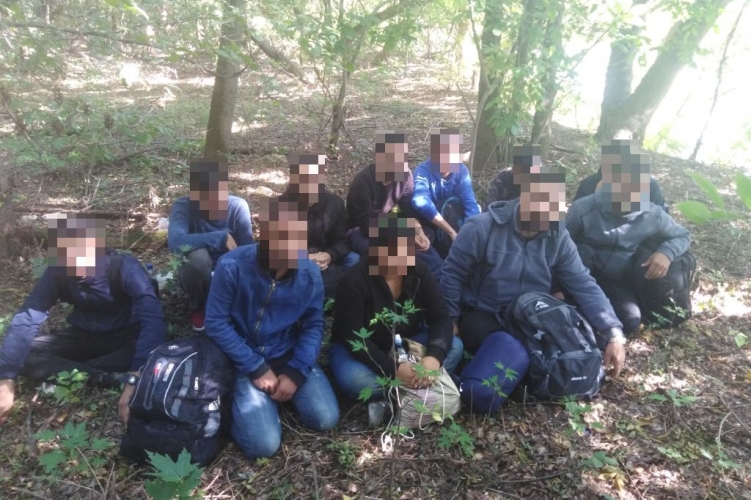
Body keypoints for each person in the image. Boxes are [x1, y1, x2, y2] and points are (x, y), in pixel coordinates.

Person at [442, 158, 627, 414]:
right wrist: (450, 318)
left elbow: (583, 283)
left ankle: (532, 373)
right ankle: (537, 372)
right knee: (485, 334)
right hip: (487, 312)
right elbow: (452, 274)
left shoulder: (557, 236)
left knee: (577, 337)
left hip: (533, 315)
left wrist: (613, 333)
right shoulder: (482, 228)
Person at [204, 196, 339, 459]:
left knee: (326, 418)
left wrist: (296, 371)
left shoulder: (309, 274)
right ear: (263, 234)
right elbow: (216, 323)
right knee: (263, 446)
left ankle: (274, 397)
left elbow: (313, 325)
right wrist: (255, 367)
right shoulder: (232, 266)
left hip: (286, 351)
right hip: (244, 356)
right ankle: (242, 406)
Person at [0, 214, 167, 426]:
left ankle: (86, 371)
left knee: (153, 352)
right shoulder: (57, 272)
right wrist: (6, 378)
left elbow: (153, 320)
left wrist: (136, 376)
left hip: (126, 336)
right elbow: (28, 317)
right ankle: (104, 377)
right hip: (84, 335)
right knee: (21, 354)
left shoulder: (123, 267)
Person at [329, 213, 463, 407]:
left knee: (455, 346)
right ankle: (420, 389)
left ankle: (396, 398)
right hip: (363, 347)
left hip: (405, 340)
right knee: (356, 381)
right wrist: (393, 369)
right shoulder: (354, 281)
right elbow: (353, 337)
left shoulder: (419, 271)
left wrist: (433, 357)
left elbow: (440, 317)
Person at [565, 140, 692, 335]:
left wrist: (666, 253)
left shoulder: (651, 213)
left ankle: (592, 322)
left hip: (618, 275)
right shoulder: (584, 207)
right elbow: (559, 240)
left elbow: (682, 234)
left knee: (631, 320)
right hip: (582, 268)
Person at [168, 159, 253, 331]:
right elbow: (175, 242)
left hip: (229, 271)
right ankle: (200, 306)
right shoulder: (184, 206)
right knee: (196, 258)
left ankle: (231, 303)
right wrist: (221, 237)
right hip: (198, 276)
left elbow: (247, 251)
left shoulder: (237, 206)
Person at [346, 131, 444, 280]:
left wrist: (418, 231)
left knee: (426, 235)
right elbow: (366, 226)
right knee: (390, 249)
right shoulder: (363, 182)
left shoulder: (405, 176)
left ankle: (438, 276)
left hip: (391, 223)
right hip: (360, 231)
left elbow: (408, 212)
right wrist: (405, 233)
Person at [285, 153, 359, 297]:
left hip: (325, 256)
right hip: (296, 260)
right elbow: (274, 248)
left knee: (354, 260)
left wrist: (329, 255)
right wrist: (305, 258)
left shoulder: (335, 203)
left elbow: (341, 241)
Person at [412, 128, 481, 258]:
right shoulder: (422, 171)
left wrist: (468, 233)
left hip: (454, 218)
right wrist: (450, 232)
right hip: (431, 221)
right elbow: (420, 202)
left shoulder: (461, 171)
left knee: (476, 212)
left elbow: (470, 202)